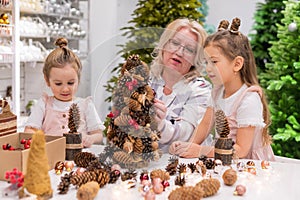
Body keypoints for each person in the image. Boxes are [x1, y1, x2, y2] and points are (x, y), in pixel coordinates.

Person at [169, 18, 275, 161]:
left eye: (214, 62)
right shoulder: (217, 92)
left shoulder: (248, 100)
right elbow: (205, 125)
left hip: (248, 166)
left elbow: (242, 151)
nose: (208, 68)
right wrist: (188, 146)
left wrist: (201, 150)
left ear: (237, 64)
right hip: (223, 160)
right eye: (206, 62)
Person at [24, 37, 104, 148]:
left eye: (70, 83)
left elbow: (98, 135)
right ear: (47, 80)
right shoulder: (44, 104)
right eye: (58, 84)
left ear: (78, 80)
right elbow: (29, 130)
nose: (65, 89)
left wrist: (90, 138)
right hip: (52, 160)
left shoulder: (86, 105)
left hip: (80, 159)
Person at [150, 18, 212, 153]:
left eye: (189, 49)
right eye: (175, 43)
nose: (179, 52)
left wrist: (159, 124)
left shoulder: (200, 89)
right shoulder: (146, 81)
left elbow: (186, 134)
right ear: (164, 45)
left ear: (196, 59)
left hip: (184, 167)